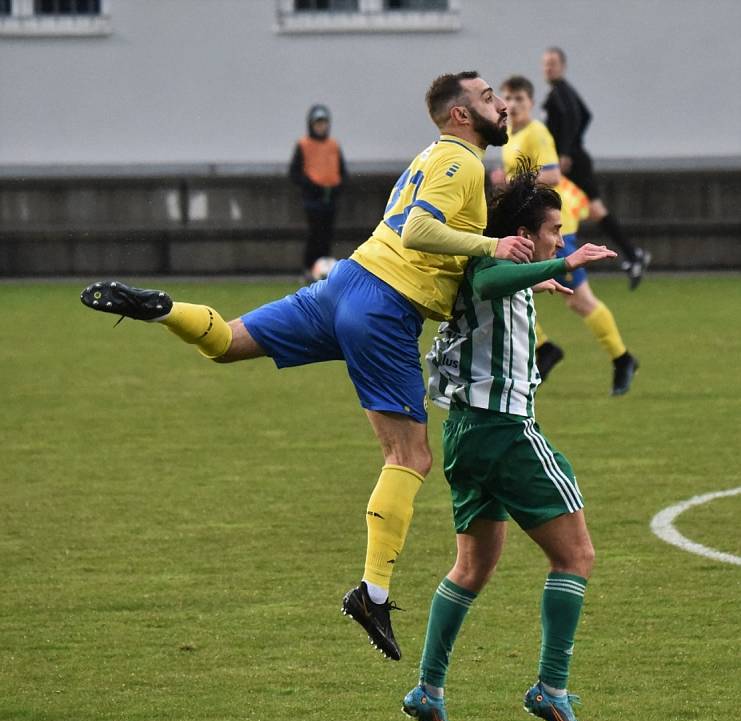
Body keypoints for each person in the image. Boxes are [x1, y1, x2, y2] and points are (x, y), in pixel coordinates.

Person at [80, 71, 535, 663]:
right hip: (384, 307)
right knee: (410, 457)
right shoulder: (464, 161)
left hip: (346, 281)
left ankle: (164, 309)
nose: (500, 105)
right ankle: (372, 593)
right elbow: (422, 229)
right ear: (459, 115)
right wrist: (492, 246)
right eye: (487, 98)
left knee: (229, 342)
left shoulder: (436, 155)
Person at [402, 159, 616, 721]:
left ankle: (430, 689)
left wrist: (542, 275)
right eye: (554, 231)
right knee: (576, 557)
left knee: (472, 568)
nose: (561, 240)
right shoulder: (497, 259)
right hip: (504, 431)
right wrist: (562, 264)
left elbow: (494, 290)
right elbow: (490, 283)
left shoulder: (502, 260)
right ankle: (551, 686)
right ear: (526, 234)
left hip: (466, 434)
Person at [496, 75, 639, 395]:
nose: (514, 104)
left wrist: (511, 182)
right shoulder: (509, 135)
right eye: (508, 97)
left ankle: (622, 358)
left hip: (554, 230)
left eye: (520, 98)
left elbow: (552, 174)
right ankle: (545, 349)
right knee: (513, 289)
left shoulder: (537, 132)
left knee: (579, 301)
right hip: (531, 226)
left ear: (531, 103)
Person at [542, 46, 651, 290]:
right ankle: (633, 255)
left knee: (593, 209)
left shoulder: (560, 93)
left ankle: (633, 255)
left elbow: (573, 118)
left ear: (562, 66)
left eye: (553, 63)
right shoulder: (563, 91)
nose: (548, 68)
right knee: (591, 210)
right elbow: (586, 115)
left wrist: (567, 151)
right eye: (545, 63)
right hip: (574, 158)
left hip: (572, 162)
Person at [289, 104, 348, 279]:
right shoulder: (304, 144)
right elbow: (295, 173)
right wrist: (310, 185)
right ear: (311, 125)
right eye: (318, 123)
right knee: (315, 234)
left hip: (331, 198)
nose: (321, 127)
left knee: (327, 236)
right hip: (312, 199)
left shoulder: (333, 145)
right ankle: (309, 269)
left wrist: (338, 187)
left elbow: (342, 171)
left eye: (324, 123)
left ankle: (324, 271)